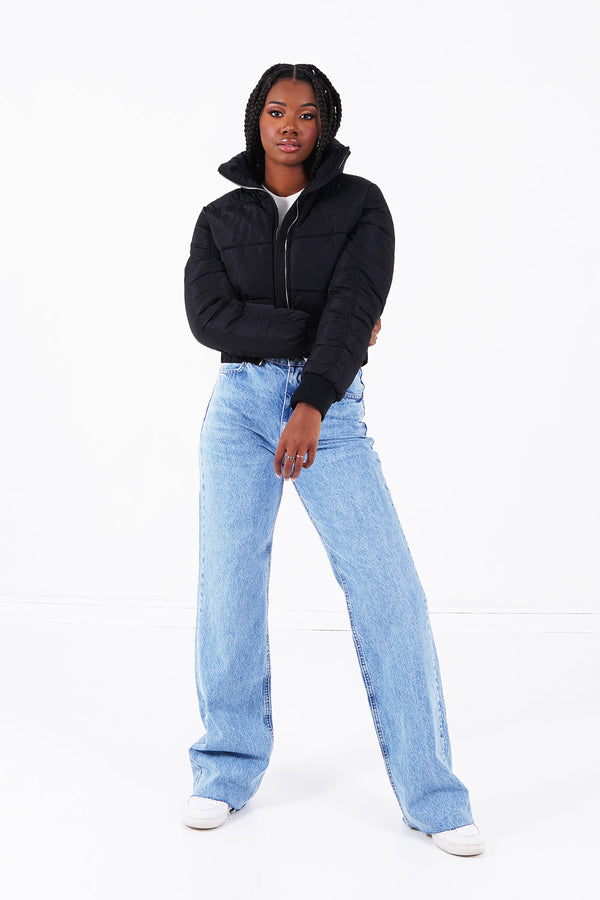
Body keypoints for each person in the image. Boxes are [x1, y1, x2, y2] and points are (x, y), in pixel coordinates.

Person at [182, 63, 485, 857]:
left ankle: (433, 793)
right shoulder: (219, 217)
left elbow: (358, 300)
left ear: (327, 123)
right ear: (256, 118)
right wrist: (327, 332)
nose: (290, 125)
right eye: (277, 110)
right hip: (238, 409)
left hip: (331, 411)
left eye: (307, 113)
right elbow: (210, 320)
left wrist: (314, 396)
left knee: (389, 589)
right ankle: (225, 768)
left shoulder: (361, 205)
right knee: (228, 587)